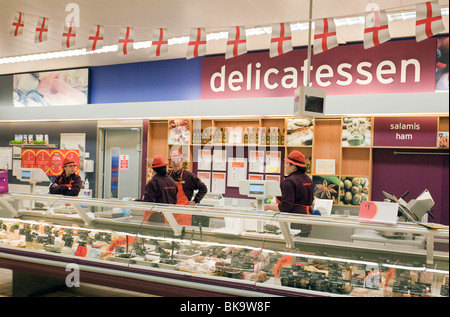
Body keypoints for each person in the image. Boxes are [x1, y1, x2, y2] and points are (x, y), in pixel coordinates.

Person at [264, 150, 314, 237]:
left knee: (292, 248)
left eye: (287, 164)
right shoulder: (308, 179)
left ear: (294, 166)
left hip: (295, 223)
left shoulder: (289, 182)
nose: (285, 166)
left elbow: (286, 206)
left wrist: (267, 207)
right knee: (302, 248)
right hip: (307, 221)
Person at [168, 150, 208, 225]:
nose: (175, 163)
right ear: (170, 162)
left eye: (178, 160)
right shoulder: (167, 176)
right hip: (169, 213)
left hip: (183, 214)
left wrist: (195, 201)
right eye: (173, 160)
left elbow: (203, 189)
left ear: (182, 161)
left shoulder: (189, 176)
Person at [140, 155, 178, 222]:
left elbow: (148, 202)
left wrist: (134, 200)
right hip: (169, 217)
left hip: (155, 217)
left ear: (154, 169)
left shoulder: (153, 182)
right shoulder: (172, 182)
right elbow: (174, 201)